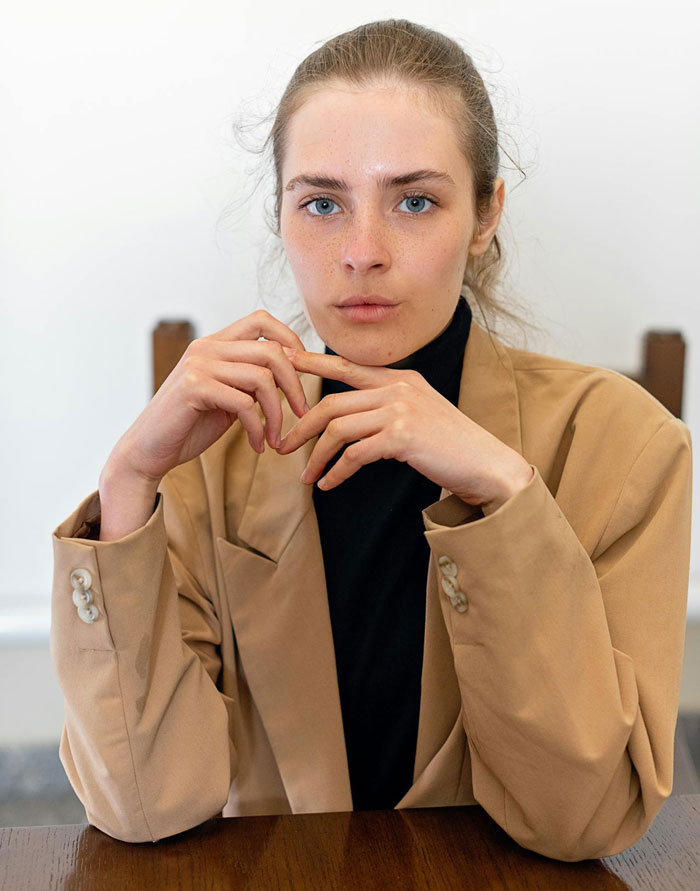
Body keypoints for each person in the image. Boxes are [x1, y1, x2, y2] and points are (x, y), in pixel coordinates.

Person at [50, 19, 693, 861]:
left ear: (487, 213)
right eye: (322, 203)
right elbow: (144, 804)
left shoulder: (627, 443)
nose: (361, 253)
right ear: (280, 215)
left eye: (415, 200)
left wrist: (504, 494)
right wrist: (129, 477)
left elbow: (583, 819)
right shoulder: (206, 460)